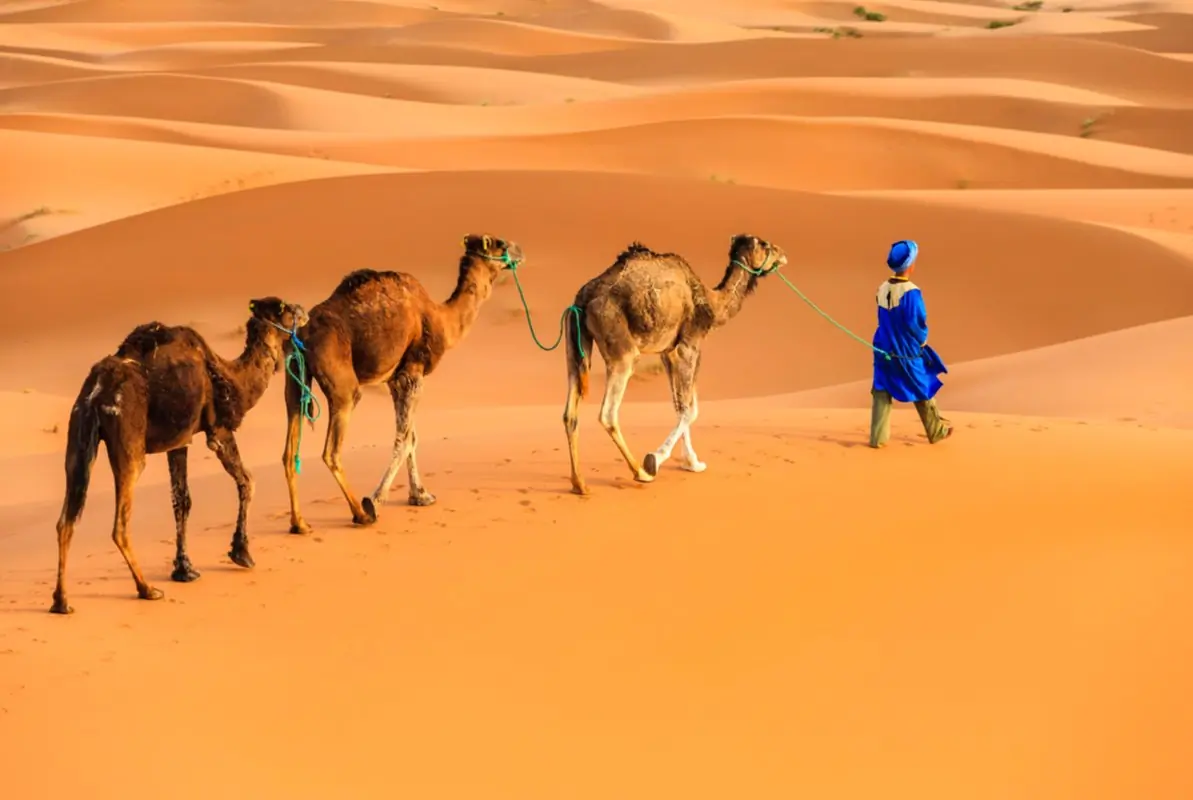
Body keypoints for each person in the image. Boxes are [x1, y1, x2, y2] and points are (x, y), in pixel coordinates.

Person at [869, 239, 953, 448]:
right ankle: (936, 430)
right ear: (910, 265)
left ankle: (877, 438)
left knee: (882, 390)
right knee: (922, 383)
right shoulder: (911, 293)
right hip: (905, 349)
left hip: (883, 346)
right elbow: (916, 322)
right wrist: (922, 340)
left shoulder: (882, 288)